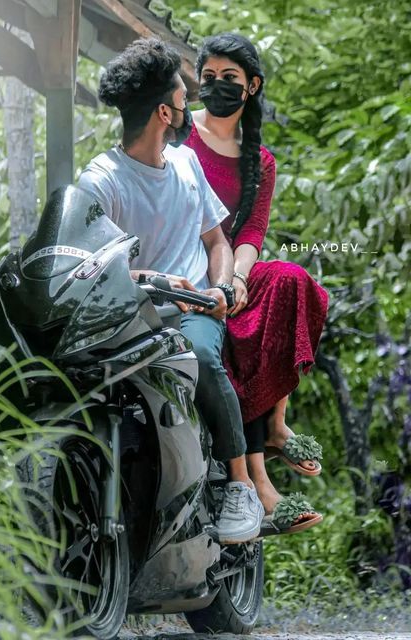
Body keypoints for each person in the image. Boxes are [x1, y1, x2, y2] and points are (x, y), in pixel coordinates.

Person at [78, 37, 265, 544]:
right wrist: (148, 280)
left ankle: (240, 485)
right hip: (130, 314)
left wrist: (221, 284)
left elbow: (217, 239)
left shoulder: (186, 165)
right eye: (185, 94)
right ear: (165, 111)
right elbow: (89, 264)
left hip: (192, 313)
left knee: (201, 355)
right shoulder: (101, 181)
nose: (192, 102)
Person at [184, 32, 328, 535]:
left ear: (252, 87)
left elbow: (251, 232)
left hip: (233, 272)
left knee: (290, 281)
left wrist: (240, 279)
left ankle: (275, 425)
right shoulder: (180, 137)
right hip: (183, 272)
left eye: (230, 79)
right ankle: (260, 481)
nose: (217, 87)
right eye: (209, 78)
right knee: (229, 338)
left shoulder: (259, 160)